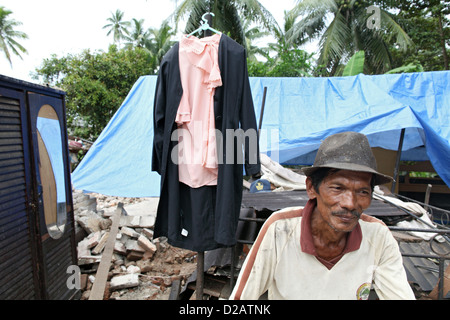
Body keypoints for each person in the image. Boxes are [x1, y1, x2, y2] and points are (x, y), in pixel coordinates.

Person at [229, 131, 415, 300]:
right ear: (311, 188)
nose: (350, 203)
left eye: (363, 192)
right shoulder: (281, 229)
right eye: (337, 188)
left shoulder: (378, 237)